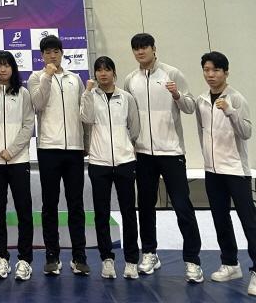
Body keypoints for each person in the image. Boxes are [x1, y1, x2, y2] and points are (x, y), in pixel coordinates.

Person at [124, 33, 202, 282]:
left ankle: (192, 261)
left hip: (171, 152)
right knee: (146, 207)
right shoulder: (130, 79)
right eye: (136, 49)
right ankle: (149, 253)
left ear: (154, 49)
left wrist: (177, 94)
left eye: (144, 47)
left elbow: (190, 107)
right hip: (143, 153)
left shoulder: (172, 73)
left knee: (182, 206)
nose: (140, 52)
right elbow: (127, 115)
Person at [28, 34, 89, 276]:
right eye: (47, 52)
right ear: (42, 56)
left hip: (74, 149)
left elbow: (84, 113)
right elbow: (38, 104)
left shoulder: (75, 79)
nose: (52, 56)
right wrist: (47, 76)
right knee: (50, 205)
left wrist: (85, 143)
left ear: (62, 53)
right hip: (48, 149)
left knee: (76, 204)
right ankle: (52, 255)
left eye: (56, 51)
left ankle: (79, 256)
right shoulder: (36, 77)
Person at [196, 51, 256, 296]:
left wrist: (231, 111)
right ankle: (231, 264)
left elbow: (246, 133)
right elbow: (202, 133)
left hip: (235, 170)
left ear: (226, 72)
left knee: (249, 221)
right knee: (220, 218)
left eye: (216, 70)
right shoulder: (201, 100)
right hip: (212, 170)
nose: (210, 75)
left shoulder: (236, 98)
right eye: (206, 70)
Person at [0, 51, 35, 281]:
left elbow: (28, 126)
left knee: (24, 211)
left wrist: (12, 150)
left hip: (18, 160)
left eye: (7, 65)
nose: (3, 69)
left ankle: (25, 259)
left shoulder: (23, 93)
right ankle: (1, 257)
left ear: (13, 68)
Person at [81, 56, 140, 280]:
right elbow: (86, 118)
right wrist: (87, 93)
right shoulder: (90, 96)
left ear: (114, 73)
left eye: (107, 69)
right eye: (99, 70)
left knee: (128, 213)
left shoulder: (126, 98)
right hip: (99, 162)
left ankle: (131, 261)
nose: (103, 73)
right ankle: (107, 259)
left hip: (125, 162)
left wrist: (126, 147)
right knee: (101, 213)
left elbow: (134, 128)